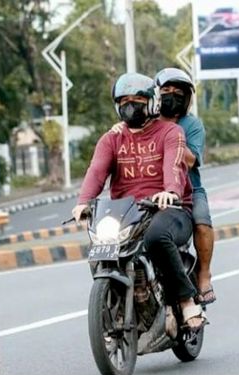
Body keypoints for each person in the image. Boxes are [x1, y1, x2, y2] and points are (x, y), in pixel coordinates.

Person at [72, 72, 206, 330]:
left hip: (169, 210)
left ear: (152, 103)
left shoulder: (171, 132)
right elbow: (97, 171)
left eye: (137, 100)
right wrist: (83, 202)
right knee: (100, 247)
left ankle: (186, 298)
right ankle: (119, 304)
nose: (130, 106)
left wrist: (170, 191)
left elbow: (174, 166)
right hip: (127, 213)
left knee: (155, 238)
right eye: (124, 101)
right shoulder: (111, 138)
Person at [114, 68, 216, 305]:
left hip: (187, 190)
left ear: (187, 97)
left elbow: (192, 160)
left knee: (201, 221)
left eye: (178, 93)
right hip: (149, 190)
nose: (172, 96)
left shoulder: (191, 125)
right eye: (166, 91)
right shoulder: (146, 119)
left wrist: (172, 140)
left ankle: (203, 275)